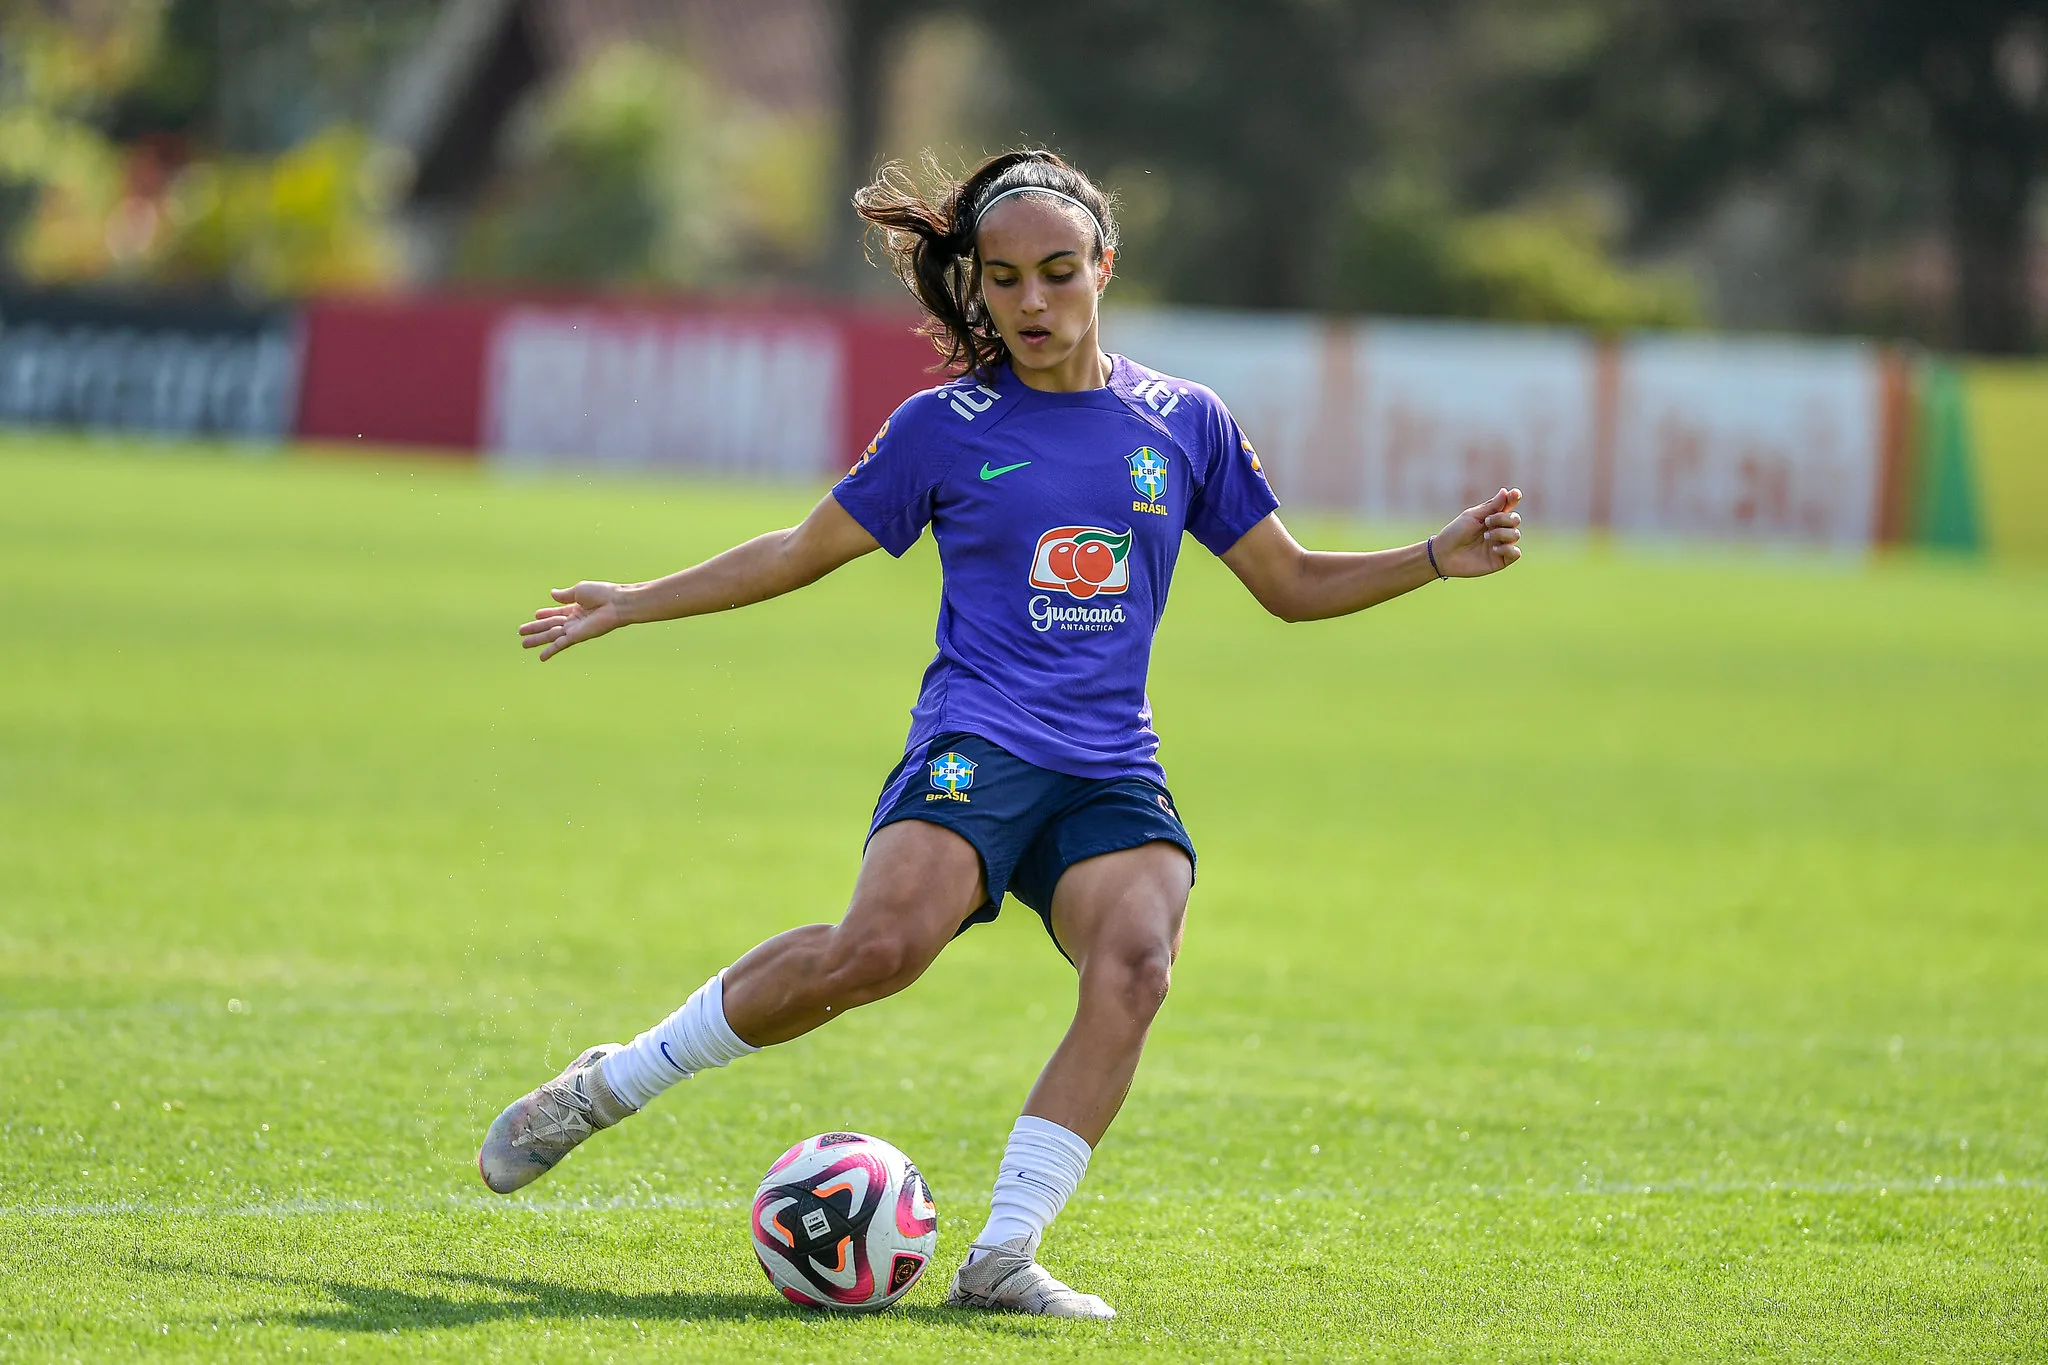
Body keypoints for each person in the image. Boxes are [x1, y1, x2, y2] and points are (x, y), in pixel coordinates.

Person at [477, 149, 1523, 1318]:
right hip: (979, 738)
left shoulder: (1185, 421)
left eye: (1057, 273)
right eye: (1005, 278)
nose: (1031, 302)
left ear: (1103, 267)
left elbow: (1288, 583)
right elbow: (795, 549)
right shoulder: (942, 427)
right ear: (975, 286)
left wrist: (1433, 558)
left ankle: (1000, 1257)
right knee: (873, 956)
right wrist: (635, 600)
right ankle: (604, 1087)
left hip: (1108, 766)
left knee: (1135, 965)